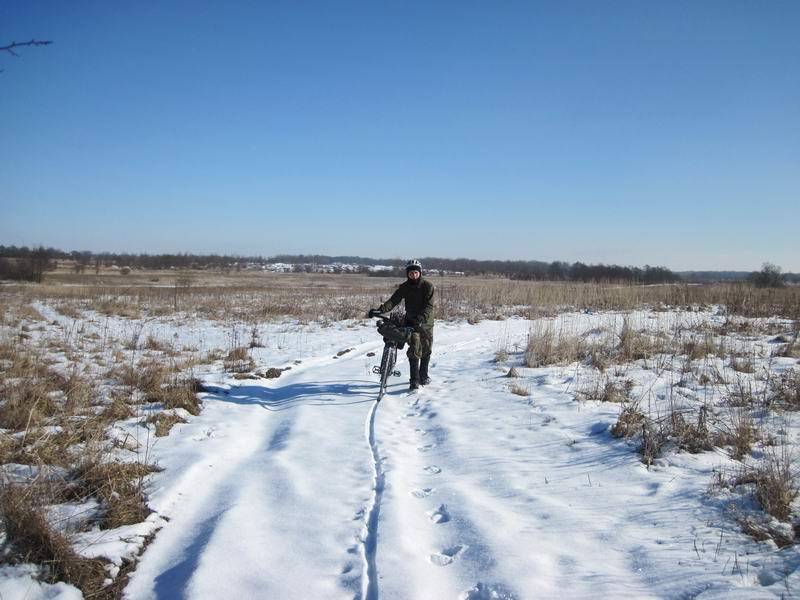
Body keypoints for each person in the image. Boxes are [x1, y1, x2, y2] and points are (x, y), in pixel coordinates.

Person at [368, 259, 435, 390]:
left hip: (426, 322)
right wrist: (380, 310)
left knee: (426, 349)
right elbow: (393, 301)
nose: (414, 275)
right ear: (407, 274)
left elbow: (429, 306)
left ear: (420, 273)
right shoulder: (405, 287)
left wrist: (421, 317)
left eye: (416, 273)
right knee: (415, 346)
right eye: (411, 273)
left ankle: (424, 376)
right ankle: (414, 380)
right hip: (411, 321)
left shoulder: (428, 286)